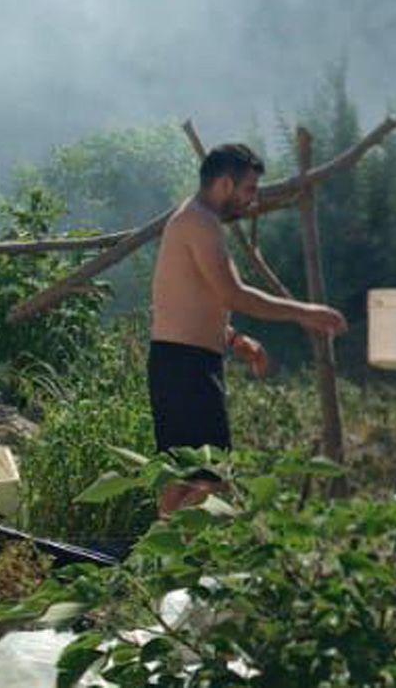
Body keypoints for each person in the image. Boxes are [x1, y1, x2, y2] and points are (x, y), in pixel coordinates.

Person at [148, 143, 347, 517]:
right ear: (224, 184)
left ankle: (166, 564)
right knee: (211, 478)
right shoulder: (199, 222)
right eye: (249, 189)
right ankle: (178, 563)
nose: (252, 200)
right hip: (185, 366)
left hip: (181, 362)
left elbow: (198, 299)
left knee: (184, 478)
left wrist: (235, 339)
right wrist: (305, 312)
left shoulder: (194, 221)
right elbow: (234, 294)